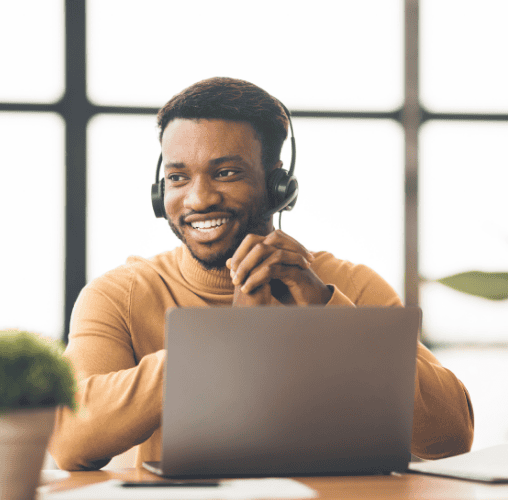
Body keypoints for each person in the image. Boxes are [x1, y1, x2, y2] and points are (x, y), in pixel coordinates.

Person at [48, 77, 474, 471]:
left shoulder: (350, 285)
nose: (198, 198)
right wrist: (227, 338)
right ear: (161, 194)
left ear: (278, 188)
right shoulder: (119, 295)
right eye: (177, 177)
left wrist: (326, 313)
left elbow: (451, 435)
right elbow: (69, 441)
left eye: (226, 173)